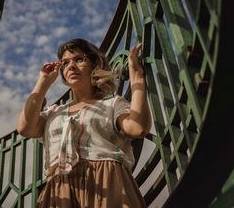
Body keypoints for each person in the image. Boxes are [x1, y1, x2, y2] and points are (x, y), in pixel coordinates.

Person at [16, 38, 152, 207]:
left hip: (107, 182)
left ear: (94, 64)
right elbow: (24, 128)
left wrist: (137, 76)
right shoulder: (53, 113)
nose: (71, 66)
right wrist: (43, 82)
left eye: (79, 59)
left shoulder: (112, 104)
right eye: (65, 63)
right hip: (59, 191)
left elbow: (137, 128)